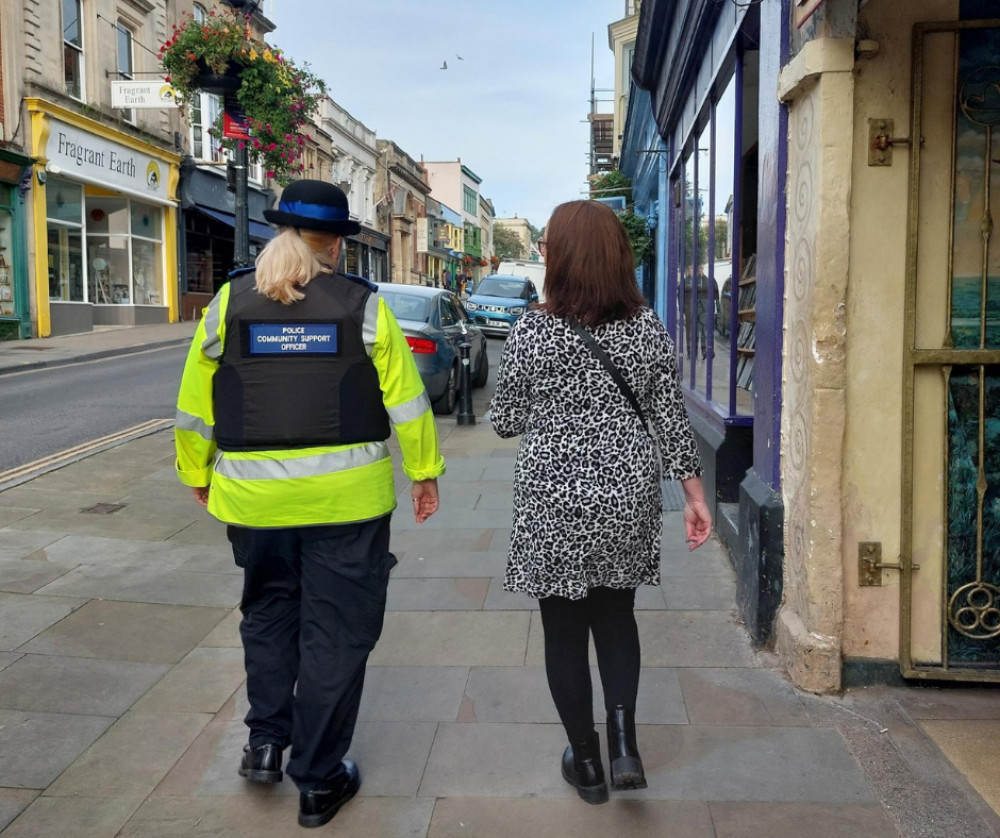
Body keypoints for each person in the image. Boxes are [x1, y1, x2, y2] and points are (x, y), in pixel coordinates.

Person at [174, 180, 444, 829]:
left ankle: (267, 742)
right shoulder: (362, 307)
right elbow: (407, 401)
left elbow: (193, 402)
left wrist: (197, 472)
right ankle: (319, 780)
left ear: (278, 232)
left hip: (253, 503)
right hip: (346, 504)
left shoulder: (228, 303)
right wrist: (424, 472)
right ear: (335, 244)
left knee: (268, 613)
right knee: (337, 632)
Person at [490, 200, 711, 805]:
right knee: (617, 617)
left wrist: (553, 410)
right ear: (620, 257)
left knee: (563, 630)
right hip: (627, 492)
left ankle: (585, 763)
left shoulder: (532, 329)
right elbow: (670, 420)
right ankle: (624, 746)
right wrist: (694, 496)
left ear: (558, 257)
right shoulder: (647, 328)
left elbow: (505, 421)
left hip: (553, 496)